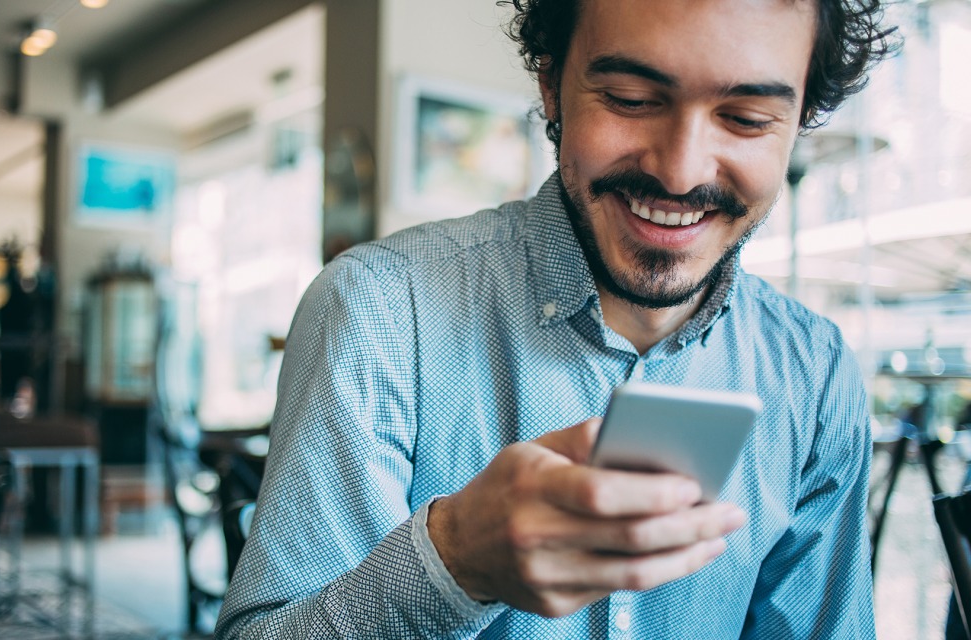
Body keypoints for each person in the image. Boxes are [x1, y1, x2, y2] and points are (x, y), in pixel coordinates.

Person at [216, 0, 898, 637]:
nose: (680, 171)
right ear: (550, 85)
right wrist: (452, 565)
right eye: (632, 100)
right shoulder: (379, 311)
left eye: (747, 117)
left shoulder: (814, 372)